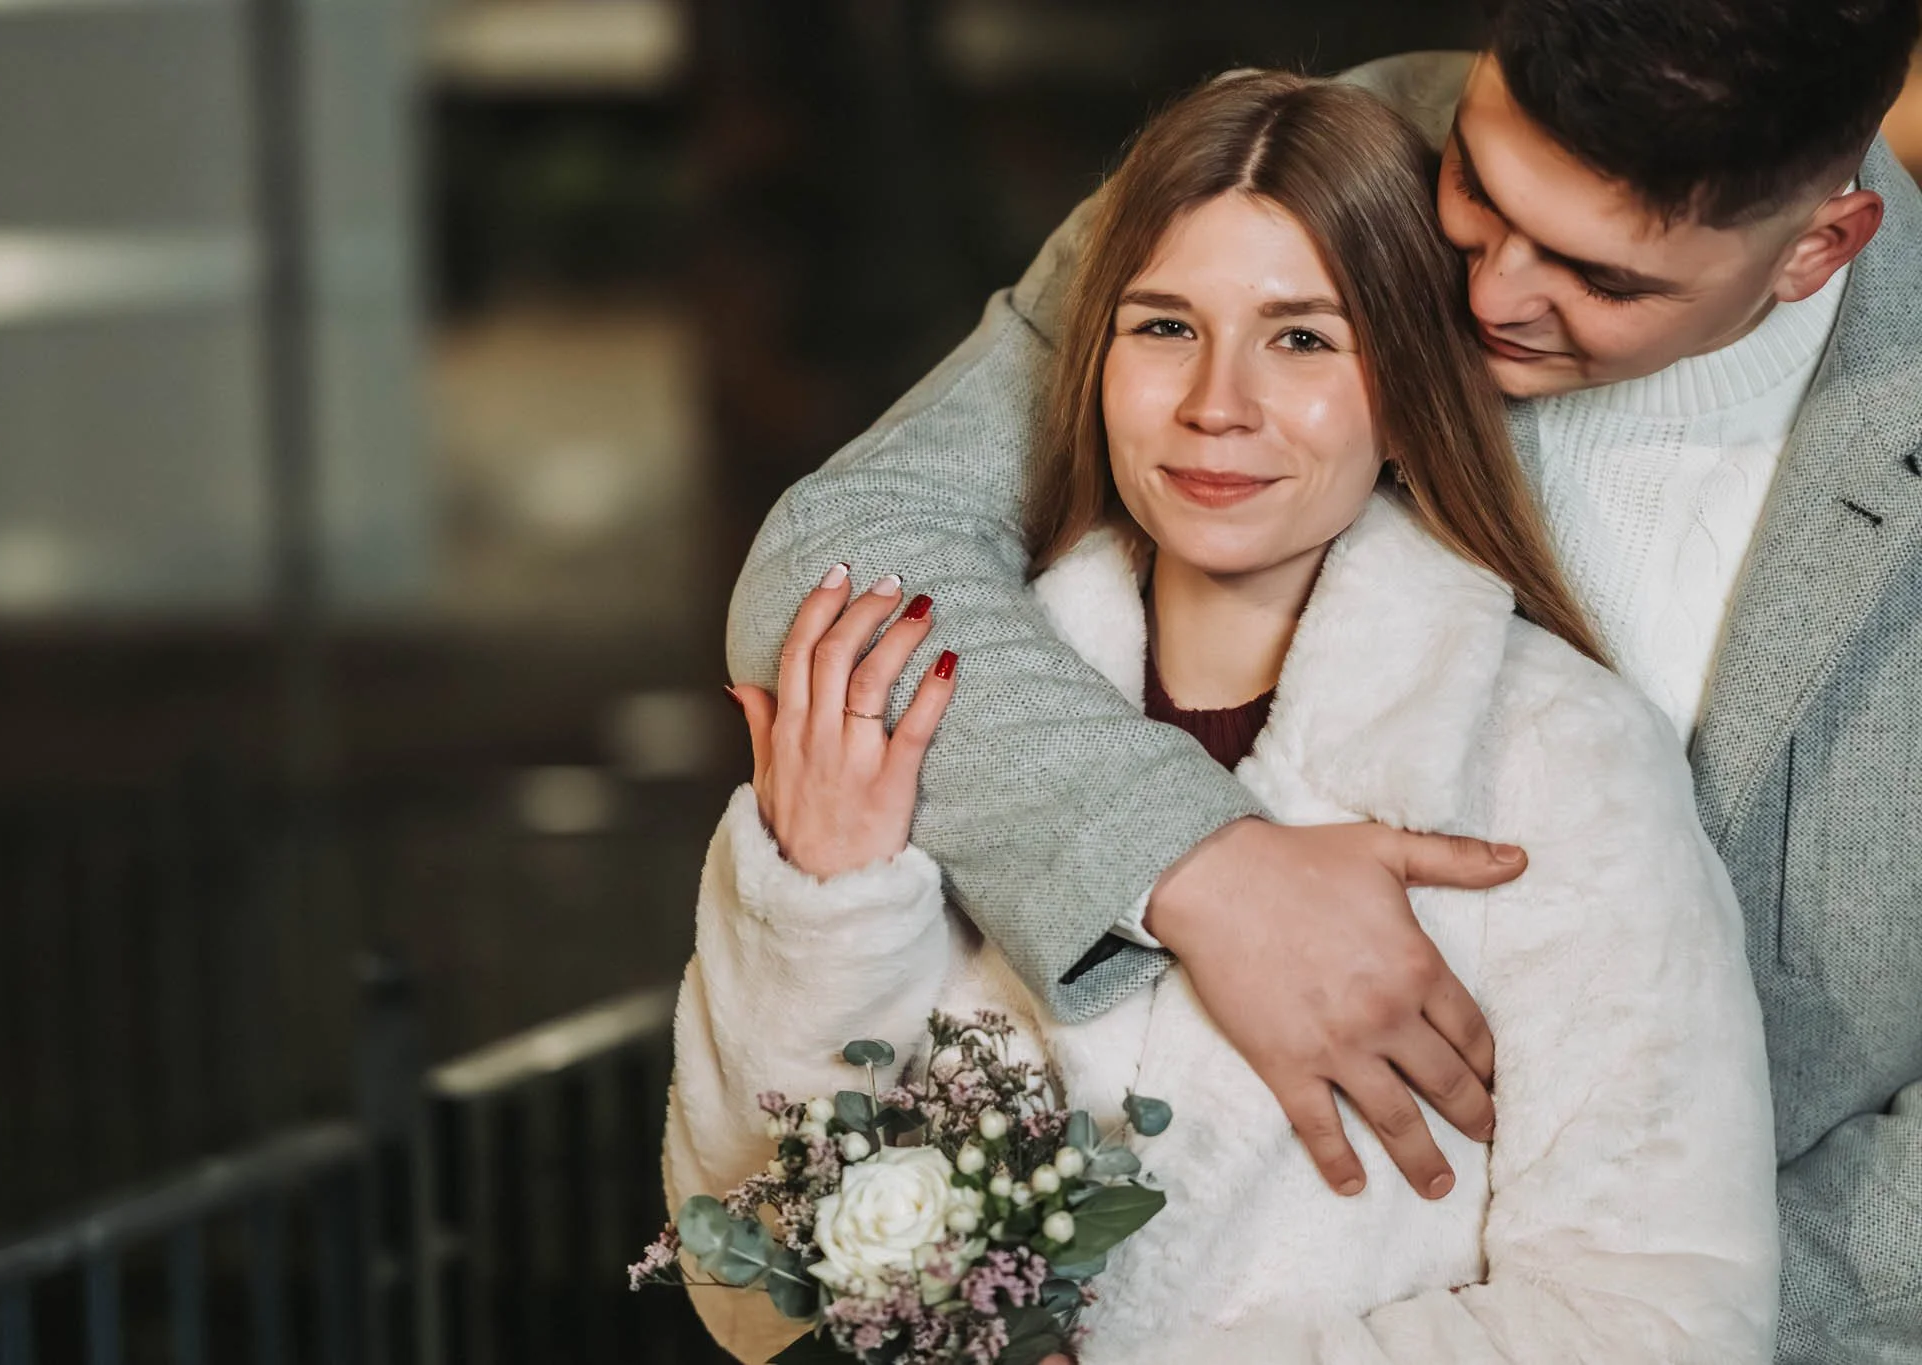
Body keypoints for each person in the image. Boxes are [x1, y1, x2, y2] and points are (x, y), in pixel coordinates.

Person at [721, 2, 1922, 1356]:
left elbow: (1670, 1298)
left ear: (1821, 244)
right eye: (1476, 185)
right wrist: (1195, 864)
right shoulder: (1306, 161)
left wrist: (1697, 1300)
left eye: (1601, 278)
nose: (1485, 296)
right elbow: (845, 554)